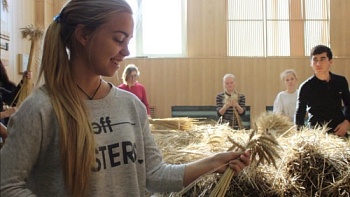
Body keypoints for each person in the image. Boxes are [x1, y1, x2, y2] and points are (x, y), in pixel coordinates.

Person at [0, 1, 250, 196]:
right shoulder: (40, 110)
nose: (127, 51)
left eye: (128, 41)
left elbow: (153, 174)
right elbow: (7, 184)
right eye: (119, 39)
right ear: (84, 35)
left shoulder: (130, 106)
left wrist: (213, 163)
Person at [295, 45, 350, 137]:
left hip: (339, 132)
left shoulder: (340, 81)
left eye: (322, 59)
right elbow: (299, 114)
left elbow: (348, 104)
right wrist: (302, 137)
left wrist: (347, 122)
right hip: (317, 136)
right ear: (311, 63)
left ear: (330, 61)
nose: (318, 64)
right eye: (315, 60)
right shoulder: (306, 87)